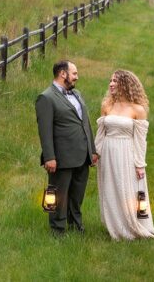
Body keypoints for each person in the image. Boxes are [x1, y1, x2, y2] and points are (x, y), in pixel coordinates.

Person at [35, 60, 98, 236]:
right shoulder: (46, 98)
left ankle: (76, 225)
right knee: (58, 195)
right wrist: (49, 157)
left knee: (77, 194)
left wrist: (92, 150)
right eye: (74, 74)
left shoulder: (76, 93)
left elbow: (85, 123)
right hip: (61, 157)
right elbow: (44, 131)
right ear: (63, 74)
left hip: (82, 155)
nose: (77, 77)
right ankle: (58, 229)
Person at [95, 70, 154, 240]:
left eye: (115, 81)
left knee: (129, 189)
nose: (111, 84)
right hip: (108, 152)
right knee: (110, 187)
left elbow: (140, 140)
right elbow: (100, 133)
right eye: (110, 81)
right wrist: (96, 153)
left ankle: (131, 225)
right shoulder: (107, 106)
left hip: (127, 153)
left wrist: (139, 164)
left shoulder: (138, 110)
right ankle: (114, 226)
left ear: (126, 84)